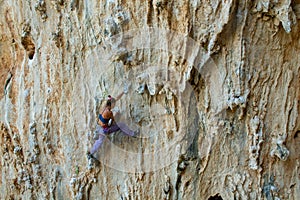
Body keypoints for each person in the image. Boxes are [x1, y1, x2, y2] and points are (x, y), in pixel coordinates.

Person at [87, 92, 138, 160]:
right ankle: (133, 134)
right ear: (111, 104)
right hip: (105, 129)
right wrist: (117, 114)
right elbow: (112, 122)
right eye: (114, 105)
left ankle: (90, 153)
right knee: (121, 125)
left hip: (99, 127)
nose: (114, 106)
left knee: (99, 141)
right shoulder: (108, 112)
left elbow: (116, 98)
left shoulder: (104, 106)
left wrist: (123, 92)